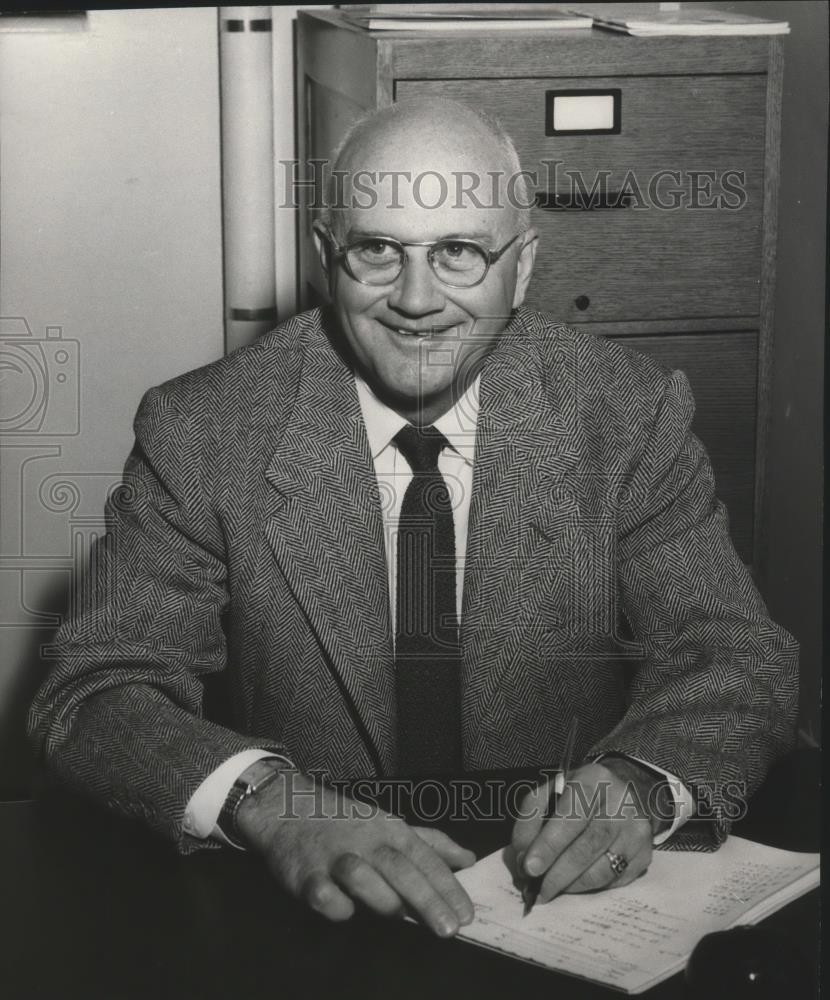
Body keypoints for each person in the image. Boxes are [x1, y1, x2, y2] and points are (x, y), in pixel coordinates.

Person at [28, 99, 798, 940]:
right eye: (378, 251)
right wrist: (275, 806)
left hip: (559, 916)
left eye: (459, 251)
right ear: (327, 259)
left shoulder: (627, 415)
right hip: (309, 917)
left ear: (524, 267)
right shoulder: (202, 431)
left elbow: (734, 654)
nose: (418, 300)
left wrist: (641, 779)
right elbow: (94, 691)